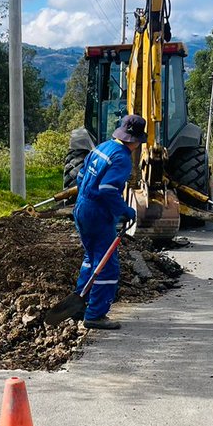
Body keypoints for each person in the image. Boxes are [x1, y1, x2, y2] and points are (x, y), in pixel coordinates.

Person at [72, 114, 141, 330]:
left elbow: (81, 176)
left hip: (82, 208)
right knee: (107, 266)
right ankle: (95, 314)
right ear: (136, 141)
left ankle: (80, 304)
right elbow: (108, 189)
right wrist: (125, 211)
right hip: (98, 214)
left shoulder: (103, 147)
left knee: (91, 258)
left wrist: (86, 198)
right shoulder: (122, 158)